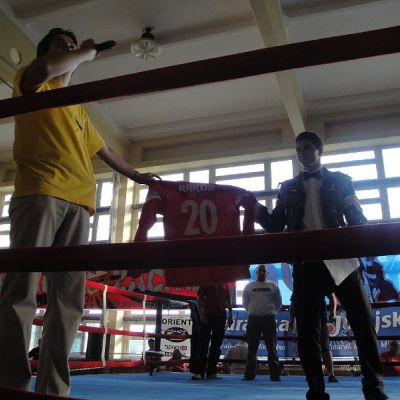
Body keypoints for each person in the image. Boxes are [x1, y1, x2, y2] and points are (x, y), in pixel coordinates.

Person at [0, 28, 158, 396]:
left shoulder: (77, 107)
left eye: (71, 45)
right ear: (46, 51)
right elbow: (48, 67)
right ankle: (11, 385)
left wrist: (136, 176)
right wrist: (86, 52)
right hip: (40, 192)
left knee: (69, 301)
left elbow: (105, 150)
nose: (69, 48)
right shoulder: (31, 81)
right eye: (61, 44)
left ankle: (53, 389)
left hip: (81, 203)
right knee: (21, 292)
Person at [253, 131, 387, 400]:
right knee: (307, 333)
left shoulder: (341, 181)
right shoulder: (287, 187)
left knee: (364, 324)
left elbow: (357, 218)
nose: (301, 153)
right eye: (298, 149)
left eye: (306, 148)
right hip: (306, 263)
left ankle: (374, 389)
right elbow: (275, 224)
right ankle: (315, 391)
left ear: (319, 150)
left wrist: (367, 238)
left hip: (342, 260)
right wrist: (253, 207)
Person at [242, 264, 282, 381]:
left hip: (269, 319)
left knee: (272, 347)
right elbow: (245, 303)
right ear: (256, 272)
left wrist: (270, 312)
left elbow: (279, 303)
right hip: (254, 319)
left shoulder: (273, 286)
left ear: (267, 273)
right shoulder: (249, 286)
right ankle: (249, 374)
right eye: (260, 270)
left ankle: (275, 374)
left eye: (264, 271)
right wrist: (254, 311)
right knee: (252, 348)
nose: (262, 272)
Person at [289, 293, 338, 383]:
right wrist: (291, 318)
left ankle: (331, 374)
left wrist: (333, 312)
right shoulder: (300, 286)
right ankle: (312, 374)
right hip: (305, 321)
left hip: (320, 320)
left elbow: (332, 296)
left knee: (325, 348)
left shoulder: (321, 283)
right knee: (308, 349)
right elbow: (293, 303)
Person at [191, 283, 233, 380]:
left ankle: (211, 372)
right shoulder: (207, 281)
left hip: (221, 316)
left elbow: (228, 299)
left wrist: (231, 314)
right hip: (208, 315)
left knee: (216, 346)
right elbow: (199, 298)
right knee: (203, 345)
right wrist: (202, 315)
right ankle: (199, 372)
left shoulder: (225, 283)